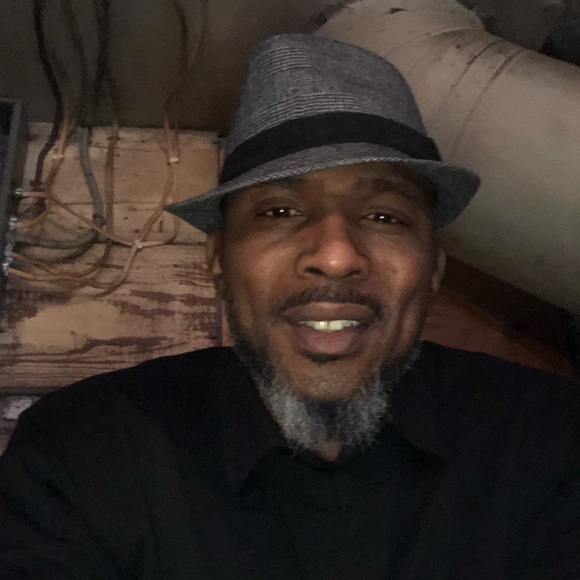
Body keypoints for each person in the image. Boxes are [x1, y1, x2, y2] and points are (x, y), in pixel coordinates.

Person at [1, 33, 578, 580]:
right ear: (218, 261)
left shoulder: (552, 440)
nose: (336, 256)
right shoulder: (81, 456)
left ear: (434, 269)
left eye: (385, 216)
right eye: (278, 212)